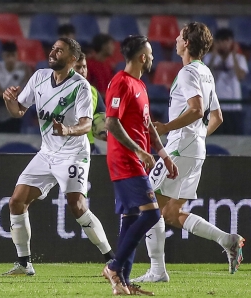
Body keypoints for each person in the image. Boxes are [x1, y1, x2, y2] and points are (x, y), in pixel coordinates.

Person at [131, 22, 245, 284]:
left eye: (181, 35)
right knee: (170, 213)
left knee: (148, 204)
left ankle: (157, 271)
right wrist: (197, 139)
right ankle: (226, 240)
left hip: (180, 147)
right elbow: (216, 116)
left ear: (188, 44)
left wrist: (167, 127)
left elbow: (196, 109)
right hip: (195, 150)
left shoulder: (187, 73)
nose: (176, 38)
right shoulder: (205, 72)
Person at [1, 37, 115, 276]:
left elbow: (86, 126)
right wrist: (9, 102)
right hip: (47, 153)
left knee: (77, 205)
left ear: (72, 59)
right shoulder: (40, 77)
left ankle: (113, 260)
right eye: (53, 49)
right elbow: (19, 111)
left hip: (73, 153)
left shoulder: (80, 86)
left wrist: (67, 130)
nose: (52, 53)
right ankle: (24, 264)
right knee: (16, 201)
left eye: (59, 50)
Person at [102, 35, 178, 296]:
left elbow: (146, 125)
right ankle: (114, 267)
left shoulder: (140, 86)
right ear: (142, 57)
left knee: (131, 218)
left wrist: (164, 155)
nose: (154, 58)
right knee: (152, 214)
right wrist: (139, 150)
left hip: (138, 159)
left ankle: (122, 281)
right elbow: (111, 122)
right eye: (151, 54)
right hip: (125, 160)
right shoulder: (120, 83)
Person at [203, 28, 248, 134]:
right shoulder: (209, 58)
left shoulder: (240, 58)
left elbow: (240, 76)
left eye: (227, 41)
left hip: (234, 107)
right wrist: (214, 55)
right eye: (221, 41)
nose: (224, 44)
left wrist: (233, 56)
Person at [0, 41, 31, 133]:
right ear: (3, 56)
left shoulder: (25, 69)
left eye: (13, 55)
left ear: (17, 55)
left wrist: (3, 92)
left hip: (15, 115)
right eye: (7, 56)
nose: (10, 59)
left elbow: (27, 90)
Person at [73, 52, 106, 153]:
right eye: (78, 67)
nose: (82, 71)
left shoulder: (93, 92)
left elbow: (100, 119)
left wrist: (104, 131)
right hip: (64, 149)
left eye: (84, 67)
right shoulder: (56, 93)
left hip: (88, 148)